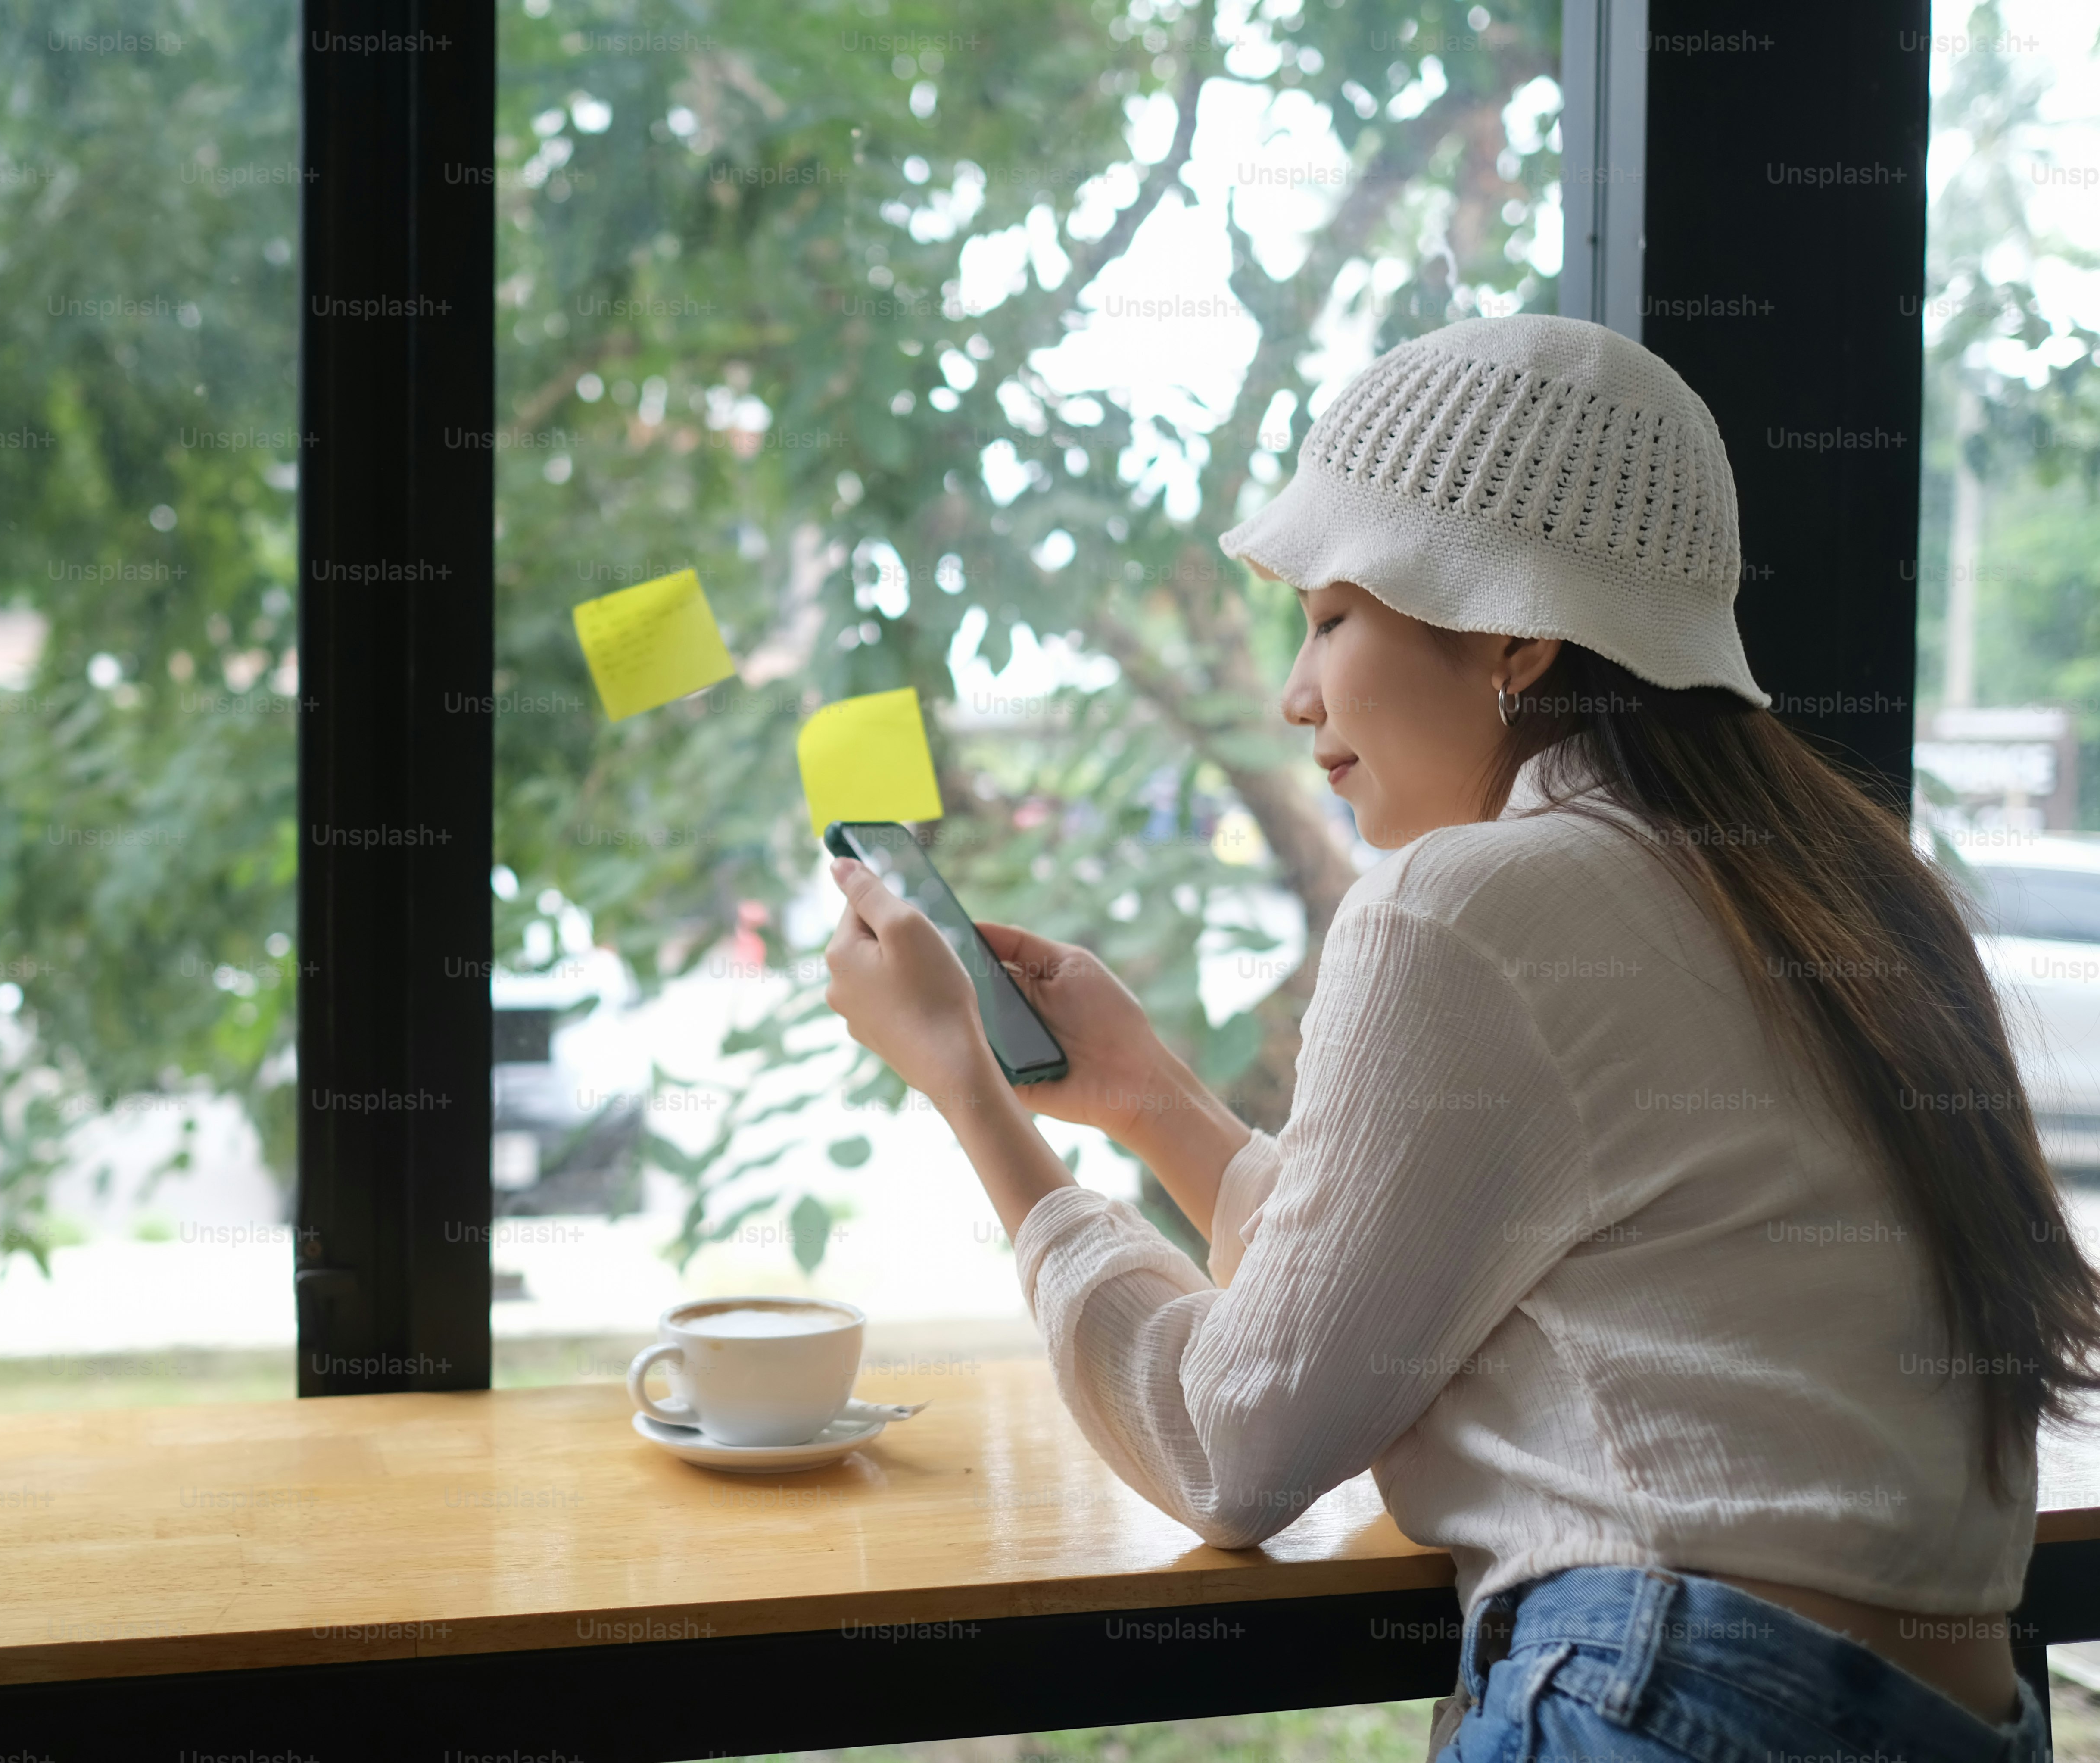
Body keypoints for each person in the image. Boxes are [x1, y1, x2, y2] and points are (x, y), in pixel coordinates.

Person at [820, 315, 2097, 1763]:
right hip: (1967, 1720)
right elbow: (1382, 1285)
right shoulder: (1841, 888)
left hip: (1678, 1702)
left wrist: (976, 1099)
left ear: (1511, 627)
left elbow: (1230, 1451)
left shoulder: (1468, 903)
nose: (1297, 693)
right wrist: (1145, 1094)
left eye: (1329, 617)